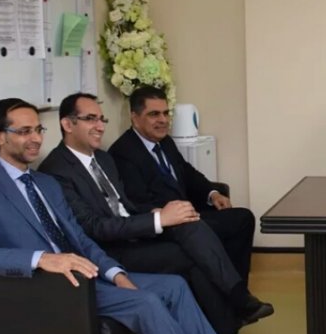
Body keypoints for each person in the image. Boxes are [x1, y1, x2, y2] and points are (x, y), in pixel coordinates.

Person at [0, 98, 297, 334]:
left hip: (87, 276)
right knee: (146, 301)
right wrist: (41, 259)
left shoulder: (44, 183)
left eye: (38, 130)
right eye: (24, 131)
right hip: (50, 286)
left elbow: (80, 239)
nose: (35, 139)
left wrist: (115, 272)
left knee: (175, 286)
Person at [39, 92, 278, 334]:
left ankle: (237, 299)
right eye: (90, 119)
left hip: (135, 233)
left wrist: (158, 215)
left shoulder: (102, 159)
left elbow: (126, 206)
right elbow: (93, 227)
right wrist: (157, 219)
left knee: (190, 224)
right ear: (68, 124)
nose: (100, 126)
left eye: (101, 119)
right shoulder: (55, 170)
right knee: (189, 257)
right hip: (110, 252)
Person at [108, 86, 260, 310]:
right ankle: (236, 297)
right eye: (154, 114)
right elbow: (137, 203)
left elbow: (187, 173)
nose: (163, 120)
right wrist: (172, 215)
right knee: (198, 229)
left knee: (242, 219)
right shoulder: (123, 153)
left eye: (165, 113)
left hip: (188, 215)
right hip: (165, 226)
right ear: (135, 117)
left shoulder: (165, 142)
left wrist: (212, 193)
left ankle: (237, 293)